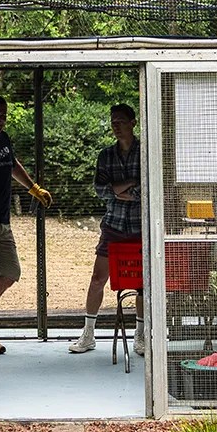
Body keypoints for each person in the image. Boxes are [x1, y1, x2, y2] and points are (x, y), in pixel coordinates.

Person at [0, 94, 47, 355]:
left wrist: (33, 188)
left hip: (3, 220)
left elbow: (12, 164)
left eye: (2, 116)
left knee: (10, 271)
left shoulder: (3, 139)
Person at [72, 103, 141, 354]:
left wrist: (121, 189)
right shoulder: (106, 155)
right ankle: (88, 333)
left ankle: (140, 335)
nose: (116, 126)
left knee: (141, 284)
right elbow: (101, 190)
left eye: (121, 121)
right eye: (113, 122)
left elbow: (146, 188)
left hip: (140, 226)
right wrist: (128, 185)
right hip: (113, 225)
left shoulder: (145, 152)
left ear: (133, 123)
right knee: (97, 278)